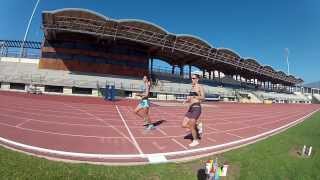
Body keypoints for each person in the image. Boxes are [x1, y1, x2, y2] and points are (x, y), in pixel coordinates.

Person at [182, 74, 205, 147]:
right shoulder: (192, 88)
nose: (192, 79)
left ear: (197, 79)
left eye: (194, 78)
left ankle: (195, 141)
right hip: (190, 108)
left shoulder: (200, 86)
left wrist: (196, 96)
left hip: (196, 108)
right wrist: (186, 100)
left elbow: (203, 98)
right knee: (183, 125)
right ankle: (198, 127)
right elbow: (190, 98)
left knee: (191, 125)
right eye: (191, 78)